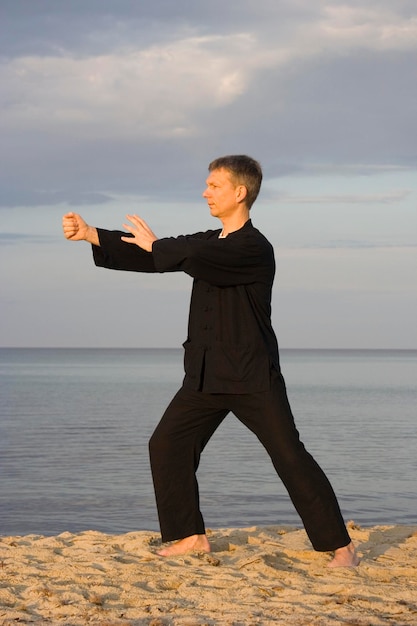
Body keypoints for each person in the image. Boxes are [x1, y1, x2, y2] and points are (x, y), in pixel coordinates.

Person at [62, 154, 359, 567]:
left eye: (214, 185)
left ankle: (341, 547)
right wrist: (92, 234)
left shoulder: (254, 248)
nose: (205, 192)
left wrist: (163, 247)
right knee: (167, 443)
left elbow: (188, 257)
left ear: (240, 192)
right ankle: (188, 536)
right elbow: (159, 258)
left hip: (252, 376)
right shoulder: (206, 241)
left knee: (289, 456)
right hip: (204, 375)